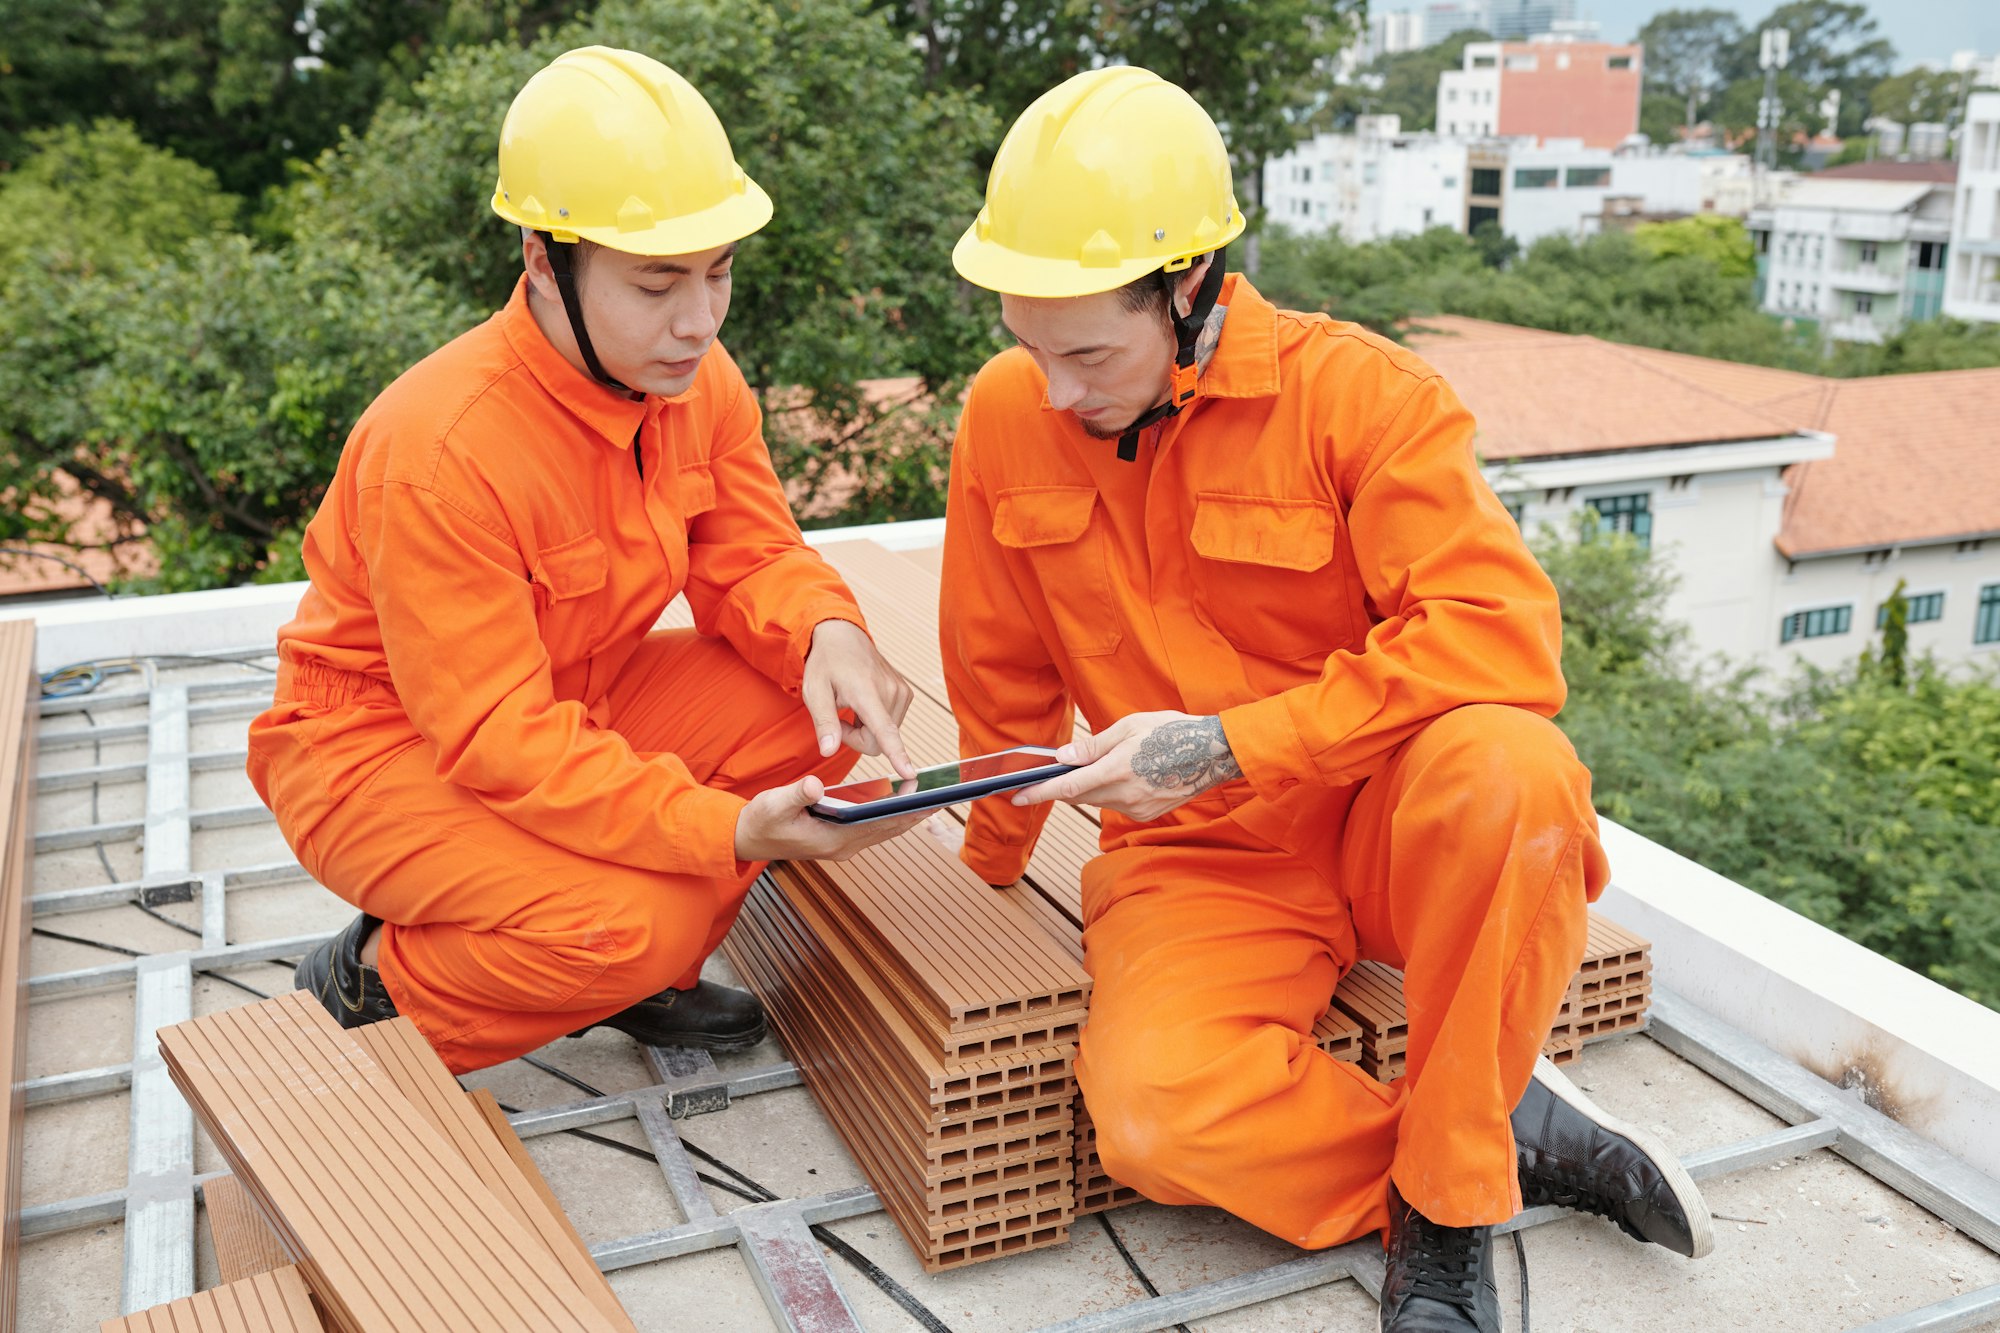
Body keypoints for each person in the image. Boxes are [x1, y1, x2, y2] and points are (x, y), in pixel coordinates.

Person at [939, 66, 1710, 1332]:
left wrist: (1225, 743)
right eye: (1029, 345)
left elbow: (1498, 638)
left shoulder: (1365, 401)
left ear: (1187, 288)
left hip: (1380, 824)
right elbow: (992, 654)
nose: (1055, 390)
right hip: (1195, 862)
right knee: (1150, 1116)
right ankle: (1481, 1142)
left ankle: (1451, 1231)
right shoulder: (1006, 414)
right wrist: (989, 853)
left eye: (1085, 350)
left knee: (1513, 769)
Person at [247, 46, 924, 1075]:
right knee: (639, 919)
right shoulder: (440, 448)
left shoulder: (697, 379)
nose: (697, 321)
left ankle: (611, 945)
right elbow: (496, 736)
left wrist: (827, 631)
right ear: (541, 260)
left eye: (718, 273)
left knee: (820, 714)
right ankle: (379, 980)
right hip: (381, 746)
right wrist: (724, 828)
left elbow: (751, 555)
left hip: (573, 696)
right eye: (657, 283)